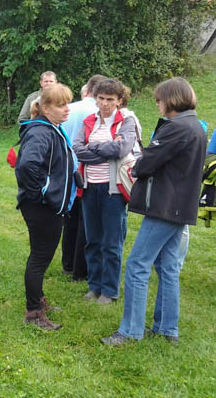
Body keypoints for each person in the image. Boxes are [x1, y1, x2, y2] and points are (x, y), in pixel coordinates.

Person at [102, 78, 206, 346]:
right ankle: (167, 328)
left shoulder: (176, 127)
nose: (157, 104)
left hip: (164, 207)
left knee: (137, 265)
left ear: (172, 99)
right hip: (180, 207)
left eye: (159, 100)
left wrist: (136, 164)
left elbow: (147, 162)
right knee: (167, 267)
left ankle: (130, 331)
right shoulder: (195, 125)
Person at [15, 84, 76, 330]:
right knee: (40, 258)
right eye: (61, 105)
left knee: (41, 255)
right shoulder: (41, 132)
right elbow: (27, 166)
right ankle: (33, 313)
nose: (67, 109)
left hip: (47, 205)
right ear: (46, 108)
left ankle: (38, 300)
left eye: (67, 103)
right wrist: (44, 193)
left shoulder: (51, 129)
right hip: (42, 207)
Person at [73, 78, 137, 305]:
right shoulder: (89, 121)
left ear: (119, 100)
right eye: (101, 98)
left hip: (114, 191)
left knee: (111, 243)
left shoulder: (125, 122)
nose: (105, 104)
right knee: (92, 241)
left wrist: (93, 147)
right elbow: (77, 149)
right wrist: (105, 151)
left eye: (110, 99)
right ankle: (94, 286)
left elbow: (122, 149)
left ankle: (109, 290)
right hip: (89, 188)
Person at [59, 74, 107, 281]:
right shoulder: (98, 113)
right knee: (85, 223)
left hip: (66, 168)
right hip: (88, 169)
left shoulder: (69, 109)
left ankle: (67, 263)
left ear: (86, 90)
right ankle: (81, 268)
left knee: (69, 219)